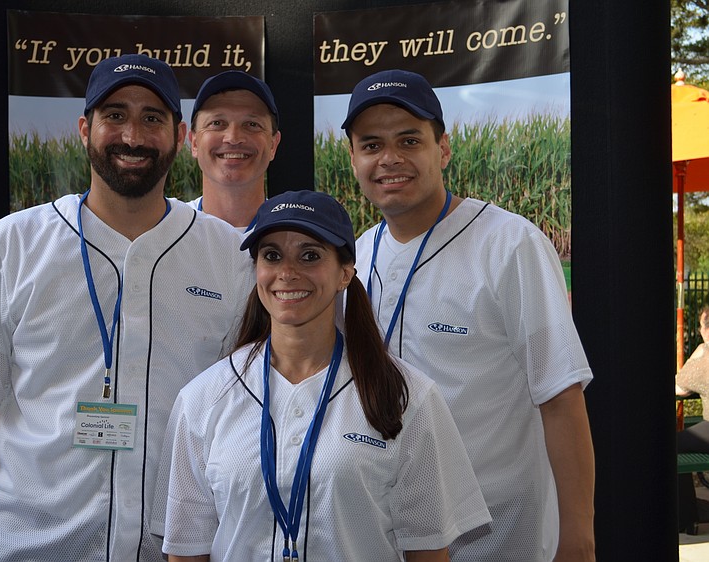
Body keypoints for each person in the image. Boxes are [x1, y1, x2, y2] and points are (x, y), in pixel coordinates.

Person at [0, 54, 254, 561]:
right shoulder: (13, 244)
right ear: (84, 128)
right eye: (114, 115)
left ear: (179, 136)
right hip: (31, 546)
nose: (132, 136)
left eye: (152, 118)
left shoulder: (230, 256)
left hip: (178, 549)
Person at [152, 189, 491, 561]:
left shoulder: (407, 397)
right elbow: (187, 551)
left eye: (310, 255)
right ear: (256, 269)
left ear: (345, 272)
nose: (287, 273)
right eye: (272, 255)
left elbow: (428, 551)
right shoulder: (203, 398)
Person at [342, 69, 596, 562]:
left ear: (444, 148)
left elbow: (561, 398)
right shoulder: (353, 259)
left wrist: (579, 540)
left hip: (496, 538)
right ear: (352, 157)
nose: (389, 158)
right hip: (383, 534)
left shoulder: (509, 244)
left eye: (409, 140)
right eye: (371, 144)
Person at [186, 70, 281, 229]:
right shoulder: (165, 232)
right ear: (194, 143)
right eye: (217, 123)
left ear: (273, 145)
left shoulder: (296, 236)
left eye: (252, 124)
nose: (233, 138)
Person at [676, 305, 709, 533]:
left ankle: (687, 518)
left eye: (700, 326)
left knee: (671, 445)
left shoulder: (705, 359)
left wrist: (699, 352)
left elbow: (679, 387)